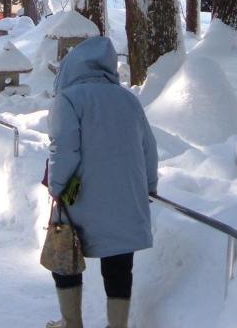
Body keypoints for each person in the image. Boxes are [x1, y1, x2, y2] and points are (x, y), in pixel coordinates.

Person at [45, 36, 158, 328]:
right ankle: (117, 324)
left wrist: (57, 187)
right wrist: (149, 187)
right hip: (127, 196)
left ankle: (71, 322)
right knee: (119, 263)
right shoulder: (129, 100)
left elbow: (64, 149)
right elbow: (148, 148)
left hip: (81, 198)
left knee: (66, 255)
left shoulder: (69, 99)